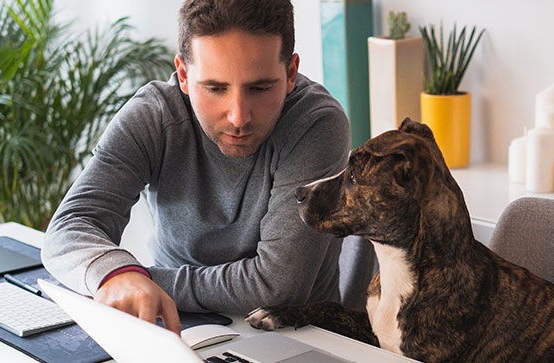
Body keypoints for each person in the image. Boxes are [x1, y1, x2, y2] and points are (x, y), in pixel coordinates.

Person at [41, 0, 350, 335]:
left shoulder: (316, 124)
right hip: (172, 328)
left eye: (259, 88)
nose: (238, 117)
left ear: (290, 74)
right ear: (184, 75)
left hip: (298, 338)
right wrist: (115, 275)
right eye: (215, 88)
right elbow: (69, 227)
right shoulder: (153, 117)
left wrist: (138, 280)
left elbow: (276, 287)